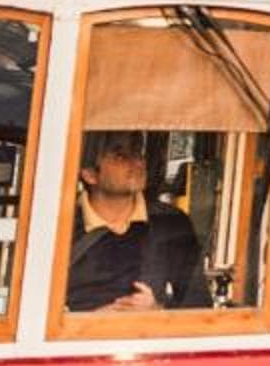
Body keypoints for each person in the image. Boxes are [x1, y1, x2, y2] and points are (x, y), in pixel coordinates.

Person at [66, 132, 210, 313]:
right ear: (89, 174)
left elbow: (199, 306)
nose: (137, 162)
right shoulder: (59, 225)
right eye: (120, 156)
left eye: (137, 152)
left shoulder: (170, 222)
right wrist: (84, 322)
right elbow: (31, 307)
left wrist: (157, 312)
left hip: (146, 339)